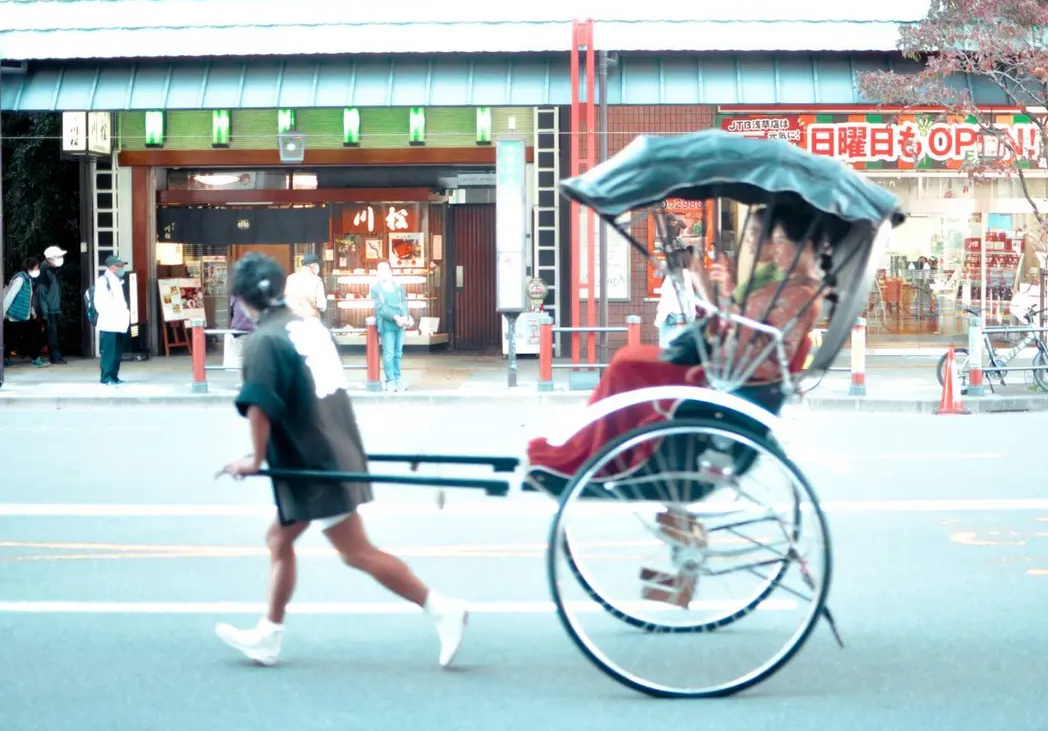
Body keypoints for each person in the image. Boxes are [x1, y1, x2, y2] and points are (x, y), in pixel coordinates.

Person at [214, 252, 469, 669]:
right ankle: (269, 634)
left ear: (242, 299)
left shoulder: (263, 341)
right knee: (279, 539)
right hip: (332, 444)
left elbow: (260, 405)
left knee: (356, 552)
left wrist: (255, 459)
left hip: (314, 461)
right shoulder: (307, 326)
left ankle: (441, 608)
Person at [526, 204, 826, 478]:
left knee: (626, 368)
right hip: (728, 364)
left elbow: (749, 336)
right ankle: (589, 450)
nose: (776, 251)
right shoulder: (786, 286)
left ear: (806, 245)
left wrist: (717, 298)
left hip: (730, 374)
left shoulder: (797, 294)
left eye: (780, 241)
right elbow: (737, 321)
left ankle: (597, 457)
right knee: (628, 360)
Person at [370, 260, 411, 392]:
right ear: (377, 272)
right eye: (380, 269)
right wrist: (396, 317)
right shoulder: (375, 289)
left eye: (385, 269)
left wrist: (404, 316)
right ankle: (390, 380)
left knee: (398, 352)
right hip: (387, 324)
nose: (383, 272)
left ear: (390, 271)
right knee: (388, 353)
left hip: (400, 324)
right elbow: (380, 309)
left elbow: (404, 302)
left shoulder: (399, 287)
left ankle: (398, 379)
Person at [3, 258, 48, 368]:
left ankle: (34, 358)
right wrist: (3, 312)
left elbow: (28, 299)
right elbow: (10, 296)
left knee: (31, 337)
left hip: (24, 316)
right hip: (15, 316)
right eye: (36, 268)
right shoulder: (20, 280)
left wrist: (32, 312)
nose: (37, 270)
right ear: (29, 268)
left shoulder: (28, 280)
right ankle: (6, 357)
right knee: (12, 339)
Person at [654, 247, 703, 347]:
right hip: (676, 318)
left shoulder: (676, 274)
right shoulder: (684, 274)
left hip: (670, 318)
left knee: (667, 354)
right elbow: (683, 299)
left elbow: (676, 298)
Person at [94, 255, 131, 385]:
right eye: (120, 266)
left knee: (116, 352)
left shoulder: (117, 281)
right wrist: (112, 314)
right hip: (109, 323)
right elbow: (100, 303)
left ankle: (114, 376)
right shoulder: (103, 281)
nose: (122, 268)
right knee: (109, 352)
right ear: (113, 267)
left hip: (118, 323)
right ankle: (106, 377)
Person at [37, 246, 68, 365]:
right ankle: (55, 357)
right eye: (58, 256)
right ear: (50, 259)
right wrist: (44, 312)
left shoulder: (51, 270)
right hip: (50, 310)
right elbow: (42, 293)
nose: (60, 258)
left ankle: (56, 356)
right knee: (52, 335)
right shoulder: (45, 272)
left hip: (53, 308)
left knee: (54, 334)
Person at [284, 252, 327, 320]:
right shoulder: (316, 280)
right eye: (318, 265)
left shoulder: (290, 278)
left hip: (293, 318)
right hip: (311, 319)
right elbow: (322, 305)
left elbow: (287, 300)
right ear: (313, 265)